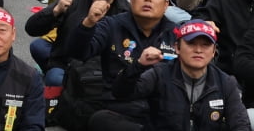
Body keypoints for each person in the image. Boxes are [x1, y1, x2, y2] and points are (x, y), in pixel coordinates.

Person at [60, 0, 179, 129]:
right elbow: (78, 53)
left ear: (166, 4)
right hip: (119, 107)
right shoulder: (112, 25)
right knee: (100, 120)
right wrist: (88, 23)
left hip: (161, 110)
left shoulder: (177, 33)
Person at [101, 20, 249, 131]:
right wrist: (138, 65)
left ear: (214, 51)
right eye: (191, 43)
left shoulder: (226, 82)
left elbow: (240, 124)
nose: (198, 50)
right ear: (177, 48)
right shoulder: (160, 74)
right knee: (101, 119)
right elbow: (121, 93)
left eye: (205, 44)